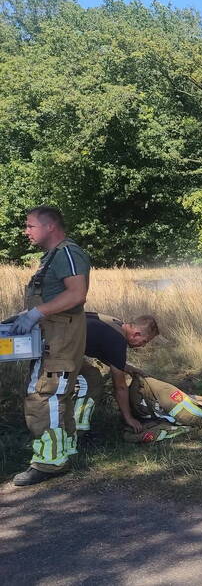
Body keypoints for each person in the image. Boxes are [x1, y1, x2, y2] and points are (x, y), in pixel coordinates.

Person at [9, 206, 90, 486]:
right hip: (50, 336)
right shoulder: (52, 257)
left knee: (43, 395)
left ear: (50, 226)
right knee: (57, 396)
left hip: (60, 337)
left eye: (31, 226)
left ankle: (49, 463)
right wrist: (25, 316)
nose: (26, 231)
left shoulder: (68, 253)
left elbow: (78, 294)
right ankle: (62, 454)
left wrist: (37, 313)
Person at [74, 313, 161, 438]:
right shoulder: (118, 339)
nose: (143, 346)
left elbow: (103, 351)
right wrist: (129, 418)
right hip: (58, 350)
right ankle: (77, 432)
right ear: (136, 334)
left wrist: (128, 368)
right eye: (144, 342)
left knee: (90, 375)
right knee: (92, 381)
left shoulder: (114, 323)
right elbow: (120, 387)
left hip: (53, 338)